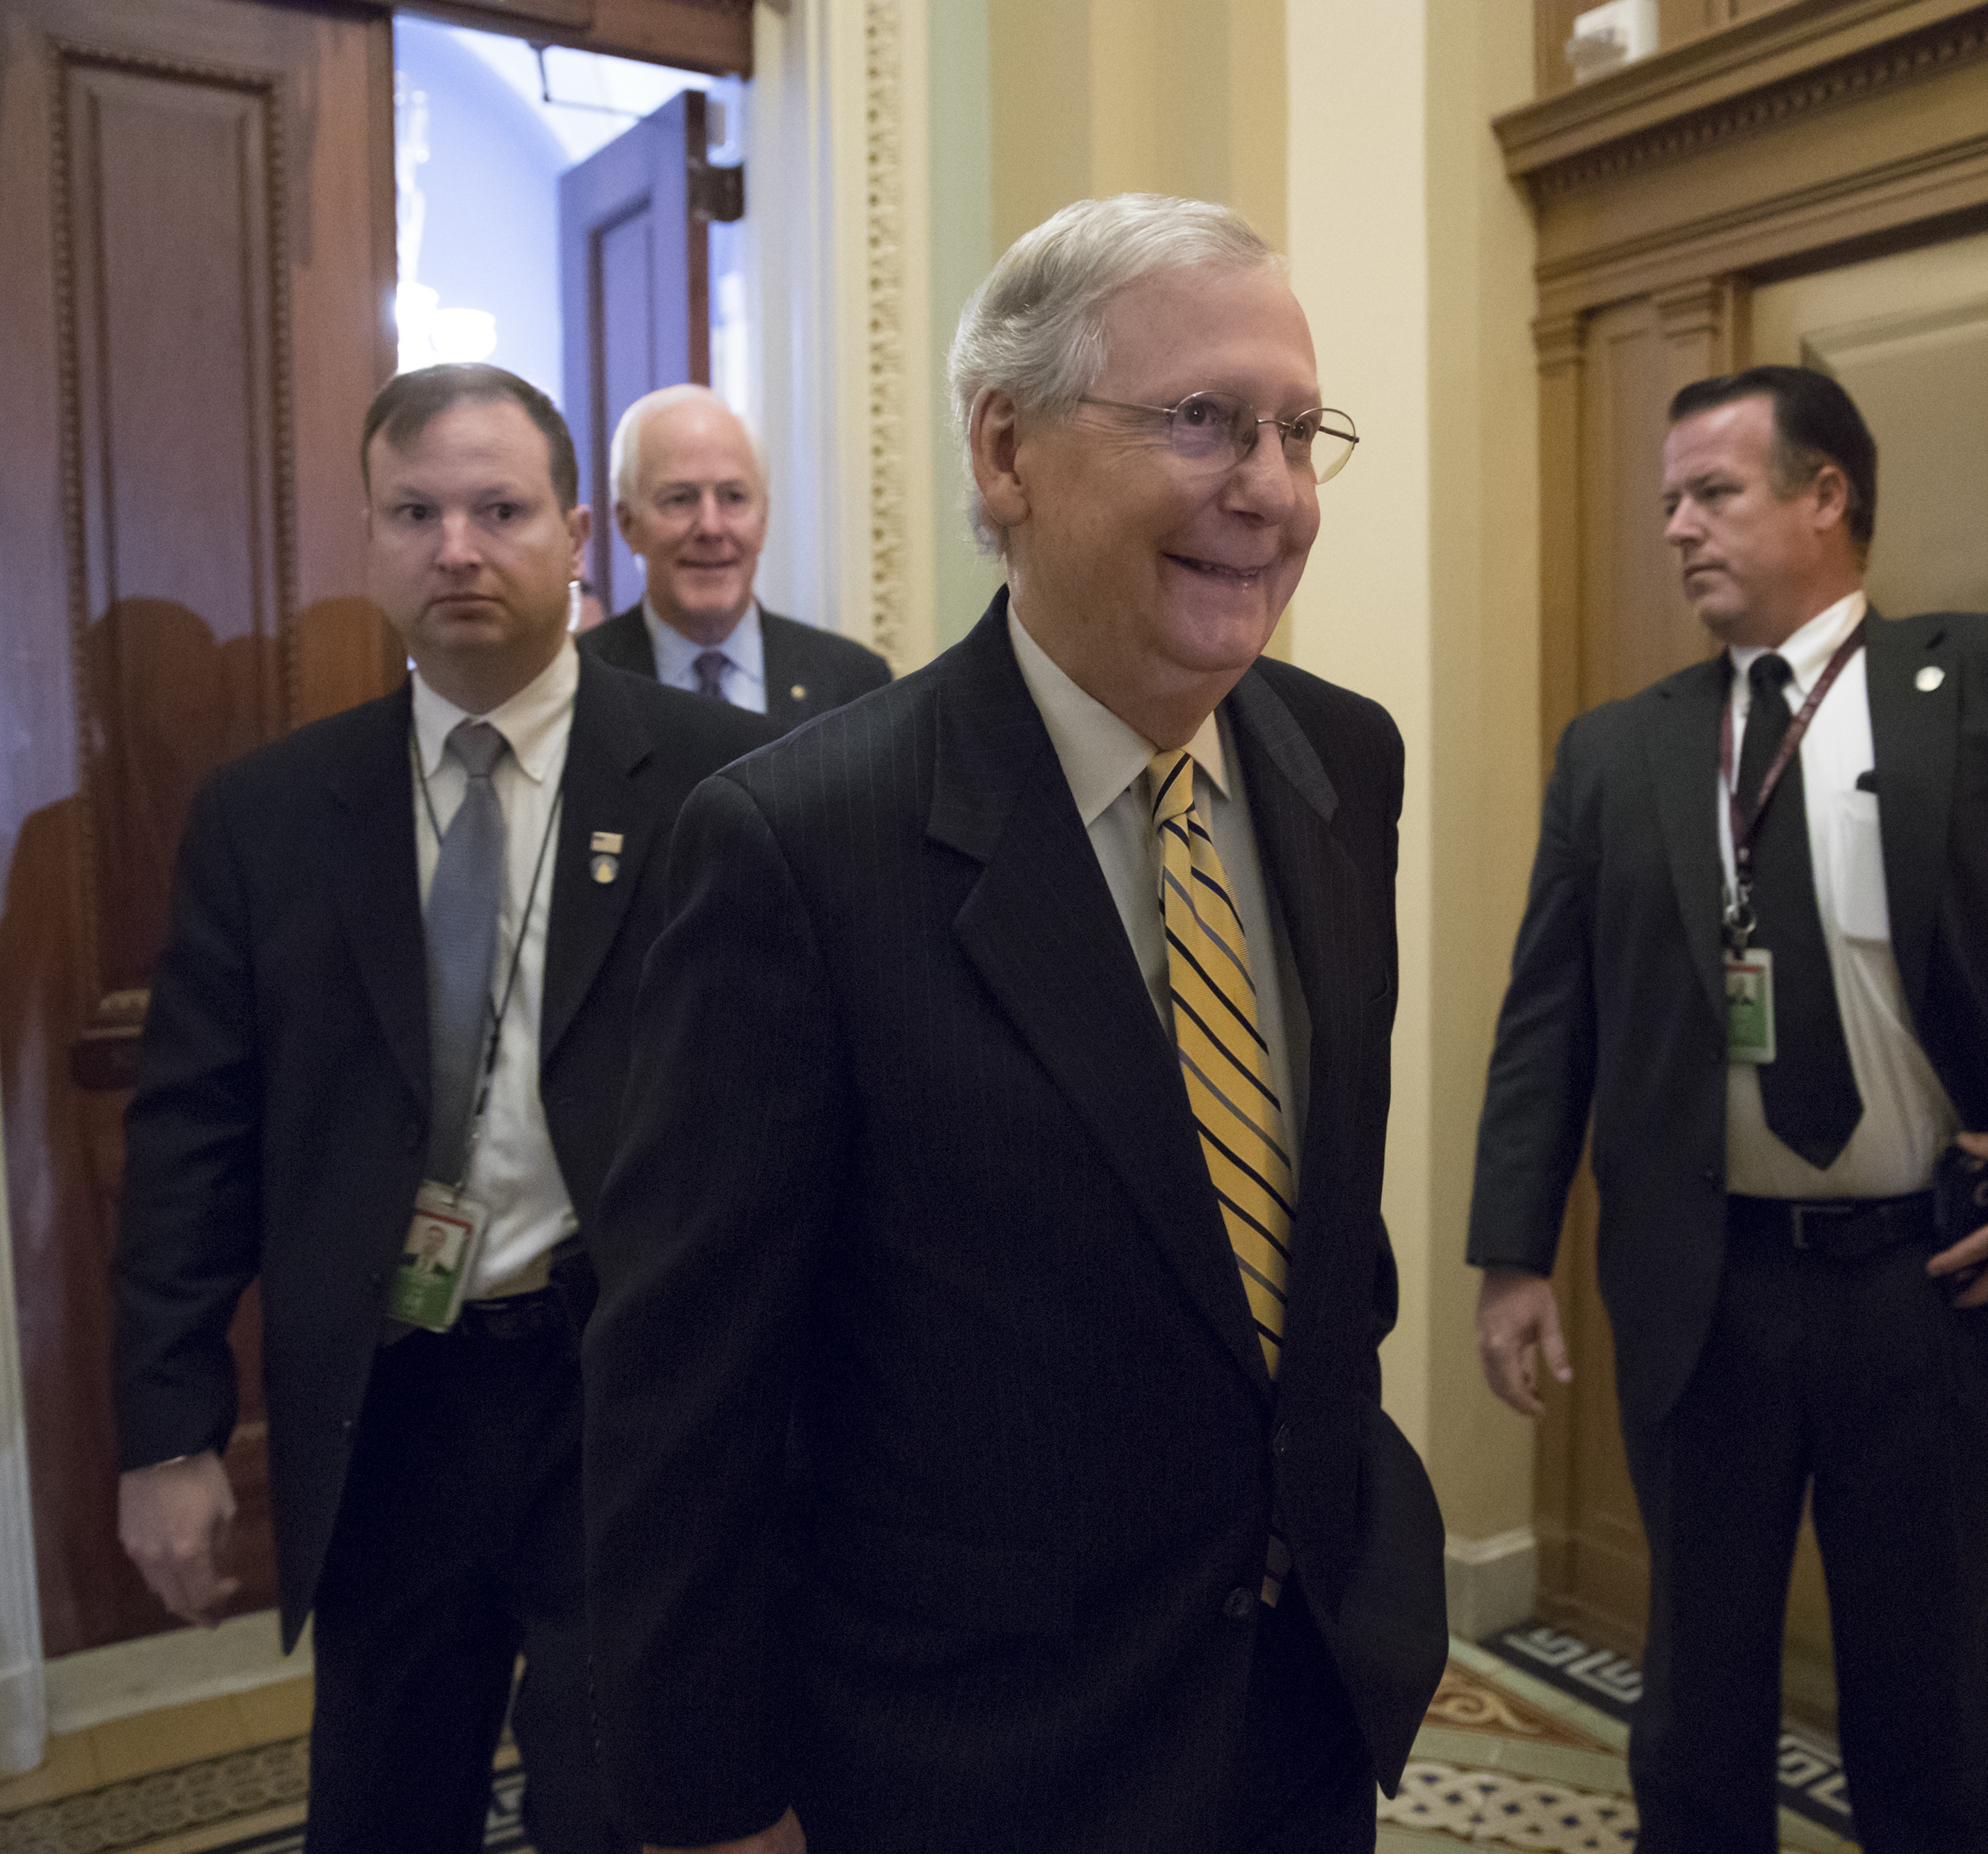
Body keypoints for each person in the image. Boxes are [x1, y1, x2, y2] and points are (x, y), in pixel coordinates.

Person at [580, 195, 1447, 1854]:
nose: (1267, 490)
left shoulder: (1346, 766)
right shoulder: (799, 843)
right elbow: (684, 1398)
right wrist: (709, 1801)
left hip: (1300, 1715)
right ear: (1005, 452)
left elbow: (1306, 1230)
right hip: (973, 1758)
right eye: (1201, 421)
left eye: (1293, 430)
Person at [1466, 365, 1988, 1852]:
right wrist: (1510, 1249)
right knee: (1693, 1680)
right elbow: (1546, 1015)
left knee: (1927, 1675)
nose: (1675, 529)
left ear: (1825, 495)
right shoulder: (1618, 749)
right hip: (1700, 1288)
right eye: (1664, 503)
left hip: (1934, 1279)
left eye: (1712, 493)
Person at [111, 363, 772, 1854]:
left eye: (498, 508)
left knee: (626, 1804)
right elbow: (191, 1141)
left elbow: (791, 1130)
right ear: (368, 538)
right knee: (383, 1806)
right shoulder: (268, 816)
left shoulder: (725, 794)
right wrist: (168, 1433)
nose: (457, 548)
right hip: (392, 1404)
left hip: (627, 1392)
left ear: (577, 531)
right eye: (415, 512)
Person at [575, 383, 891, 724]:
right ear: (628, 524)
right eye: (679, 499)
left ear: (764, 519)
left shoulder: (854, 685)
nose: (711, 528)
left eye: (734, 497)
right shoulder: (579, 684)